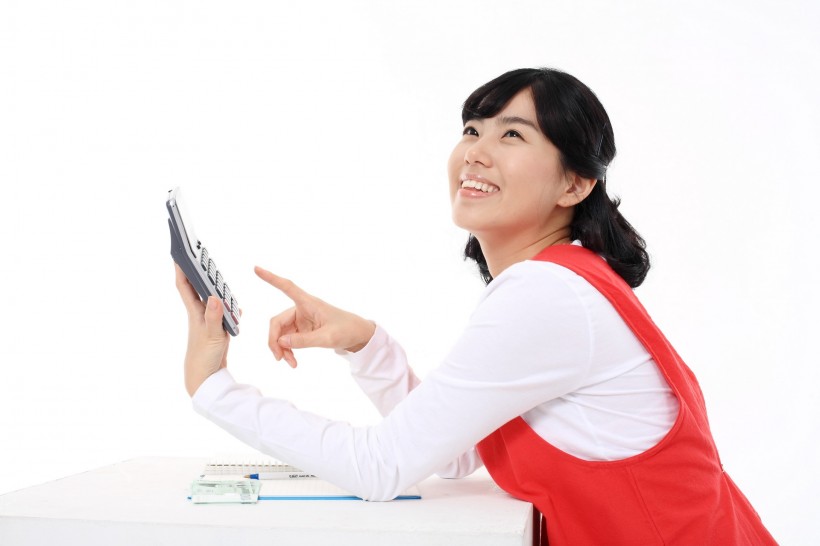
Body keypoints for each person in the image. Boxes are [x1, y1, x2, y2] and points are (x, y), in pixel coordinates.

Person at [174, 68, 776, 545]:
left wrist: (213, 388)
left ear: (575, 184)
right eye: (471, 129)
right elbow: (459, 453)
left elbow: (379, 466)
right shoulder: (565, 280)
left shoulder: (548, 294)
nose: (475, 152)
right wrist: (365, 344)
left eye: (512, 135)